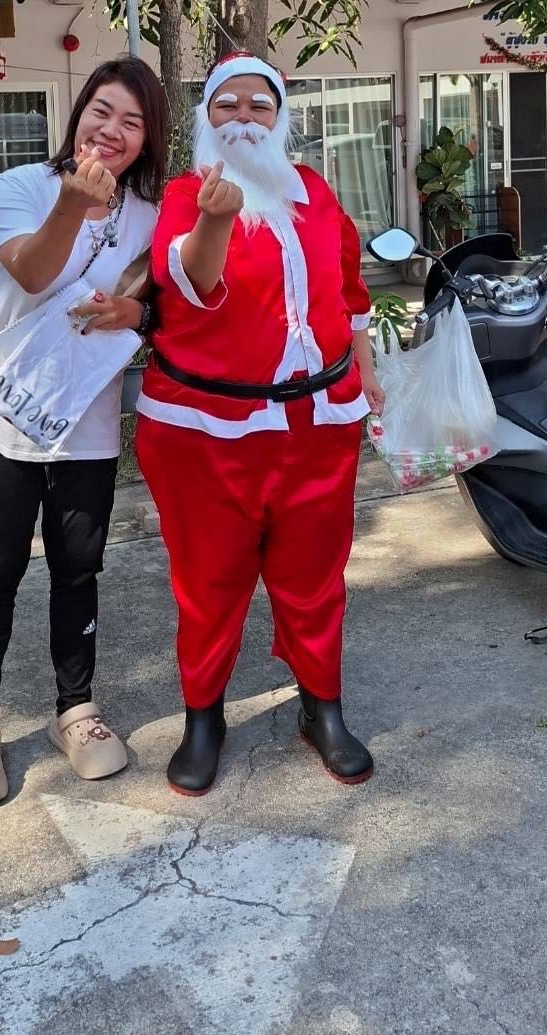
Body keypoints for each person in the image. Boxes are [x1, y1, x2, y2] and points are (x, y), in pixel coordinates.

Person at [135, 54, 385, 796]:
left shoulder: (312, 191)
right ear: (205, 117)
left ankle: (321, 707)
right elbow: (191, 283)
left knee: (315, 578)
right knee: (208, 582)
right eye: (227, 104)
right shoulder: (188, 195)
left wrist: (366, 369)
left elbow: (349, 287)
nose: (243, 117)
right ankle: (202, 717)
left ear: (279, 119)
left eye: (259, 105)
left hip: (317, 425)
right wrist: (217, 218)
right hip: (204, 434)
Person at [0, 58, 167, 805]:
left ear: (147, 139)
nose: (112, 130)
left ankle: (74, 711)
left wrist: (135, 314)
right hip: (2, 419)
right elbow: (33, 273)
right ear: (78, 114)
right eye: (101, 111)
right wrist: (73, 205)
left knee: (78, 567)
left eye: (132, 121)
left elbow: (156, 301)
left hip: (86, 422)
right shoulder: (20, 188)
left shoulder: (149, 214)